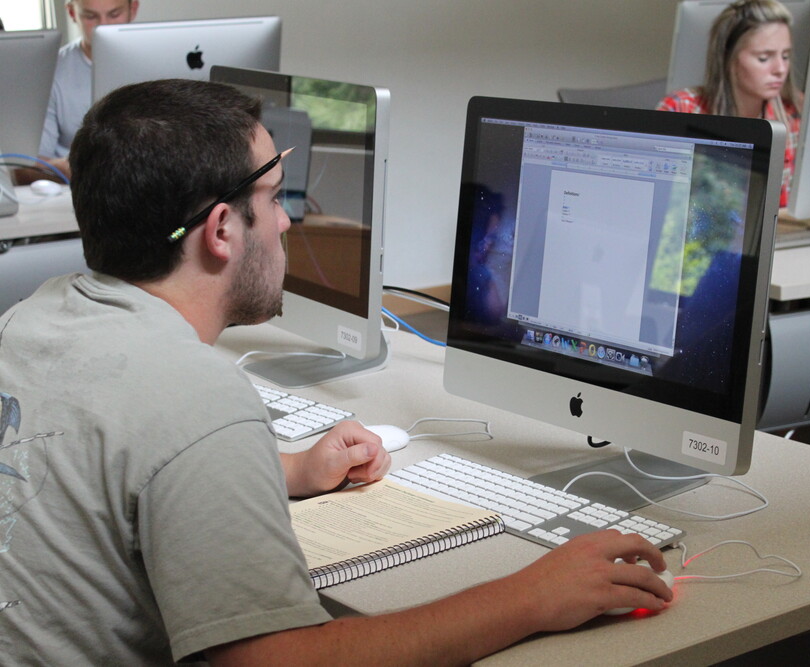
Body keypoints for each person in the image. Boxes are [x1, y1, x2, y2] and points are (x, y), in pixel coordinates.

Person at [0, 78, 673, 665]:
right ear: (221, 231)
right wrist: (529, 594)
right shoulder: (196, 398)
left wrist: (278, 470)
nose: (289, 220)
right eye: (273, 194)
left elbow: (97, 458)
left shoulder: (32, 319)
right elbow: (286, 661)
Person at [657, 0, 801, 209]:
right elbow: (661, 203)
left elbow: (785, 209)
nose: (780, 69)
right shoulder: (681, 109)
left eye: (786, 56)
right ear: (728, 57)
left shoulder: (791, 116)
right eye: (763, 58)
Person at [37, 0, 140, 179]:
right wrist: (69, 168)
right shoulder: (49, 71)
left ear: (133, 8)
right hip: (76, 190)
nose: (103, 26)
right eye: (90, 16)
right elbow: (25, 164)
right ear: (72, 13)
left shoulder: (162, 60)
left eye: (114, 14)